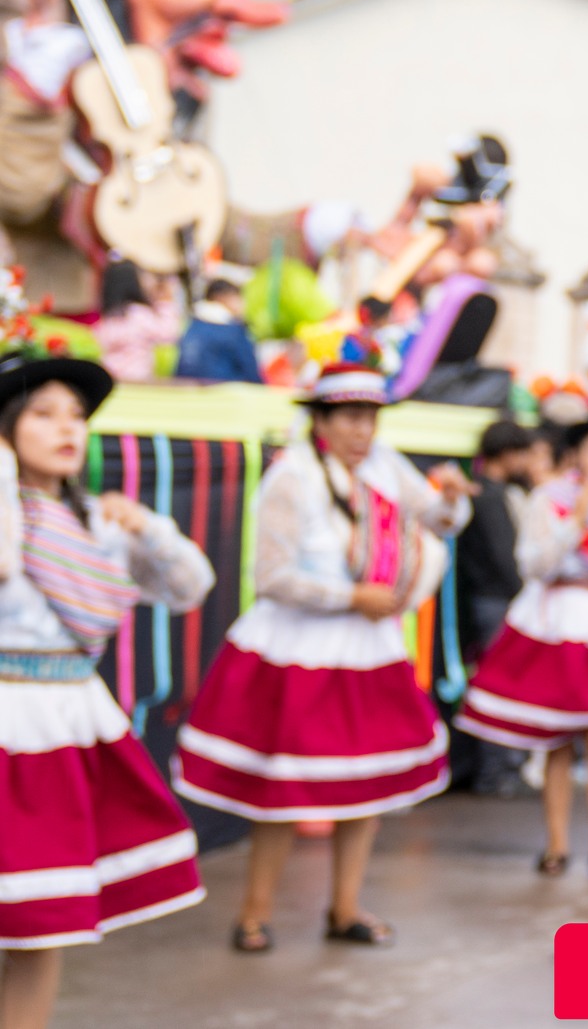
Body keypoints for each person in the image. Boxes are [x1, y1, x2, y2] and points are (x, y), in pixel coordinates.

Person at [174, 361, 473, 953]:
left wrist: (454, 501)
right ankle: (255, 913)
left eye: (369, 418)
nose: (362, 430)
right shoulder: (291, 479)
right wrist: (349, 595)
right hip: (300, 651)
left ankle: (344, 908)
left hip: (368, 649)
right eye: (350, 418)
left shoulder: (388, 467)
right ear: (323, 422)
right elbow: (272, 575)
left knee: (363, 790)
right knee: (286, 791)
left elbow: (435, 520)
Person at [0, 349, 215, 1029]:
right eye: (43, 414)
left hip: (67, 720)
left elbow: (189, 587)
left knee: (44, 922)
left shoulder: (99, 521)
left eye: (77, 415)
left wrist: (150, 525)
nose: (68, 428)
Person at [455, 412, 588, 877]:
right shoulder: (552, 500)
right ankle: (556, 845)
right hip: (559, 623)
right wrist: (581, 515)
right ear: (577, 458)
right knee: (555, 741)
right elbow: (536, 564)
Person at [447, 418, 537, 797]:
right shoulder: (490, 496)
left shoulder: (484, 492)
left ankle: (494, 771)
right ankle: (494, 773)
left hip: (488, 601)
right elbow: (503, 557)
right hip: (498, 602)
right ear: (508, 453)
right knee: (499, 686)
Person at [92, 261, 181, 383]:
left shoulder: (107, 317)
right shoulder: (138, 314)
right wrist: (164, 301)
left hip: (109, 378)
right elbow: (168, 333)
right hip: (136, 380)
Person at [174, 278, 263, 384]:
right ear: (223, 298)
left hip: (186, 391)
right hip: (224, 393)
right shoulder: (232, 330)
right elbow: (251, 372)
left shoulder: (191, 325)